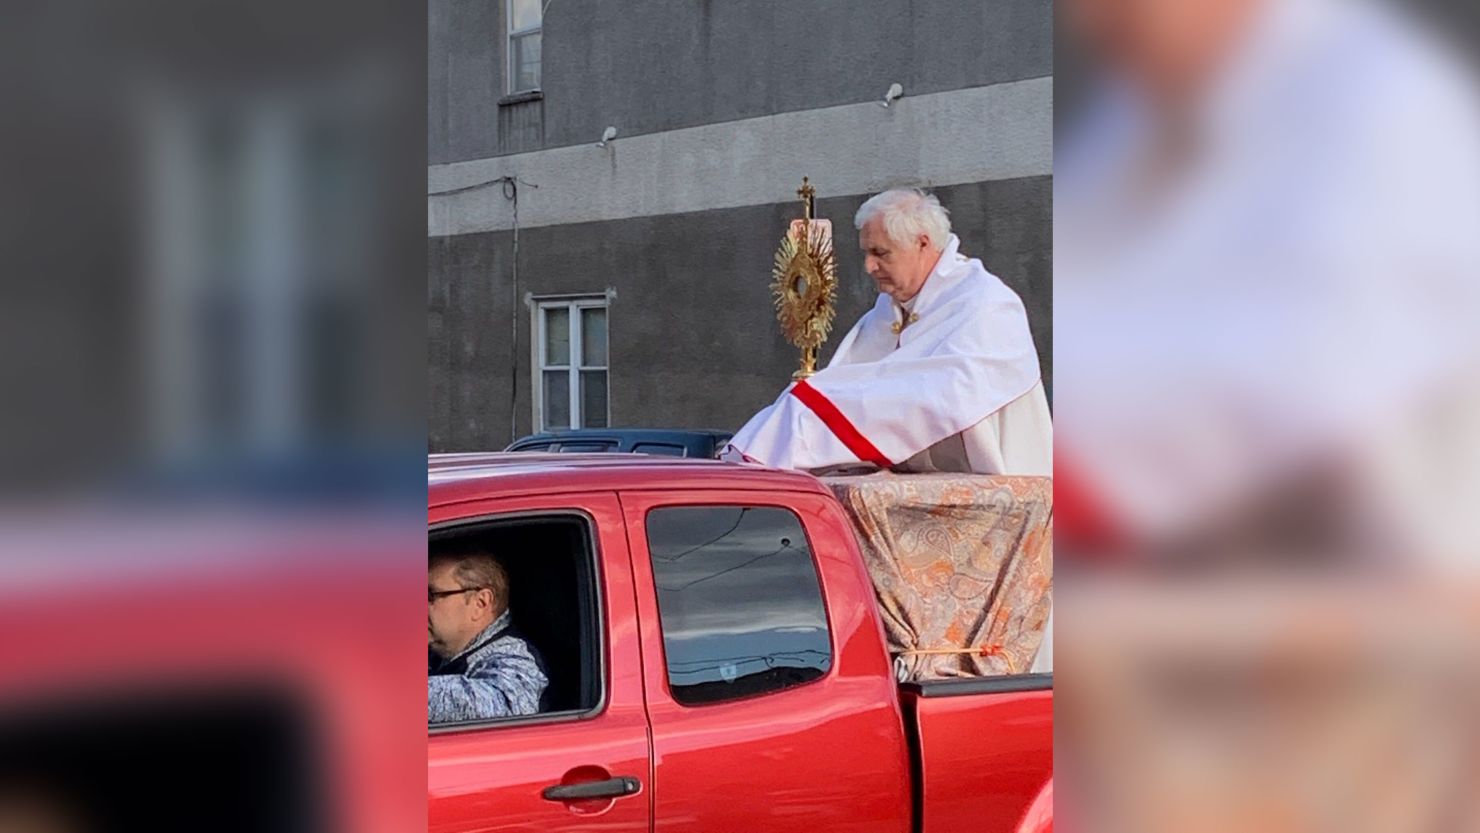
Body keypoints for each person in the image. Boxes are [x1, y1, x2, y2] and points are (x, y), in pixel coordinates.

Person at [724, 188, 1052, 475]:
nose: (868, 266)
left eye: (880, 253)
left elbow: (947, 395)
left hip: (1000, 489)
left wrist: (821, 414)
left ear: (923, 243)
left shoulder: (985, 303)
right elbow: (854, 378)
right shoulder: (890, 307)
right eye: (866, 253)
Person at [428, 551, 548, 723]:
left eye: (430, 595)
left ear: (480, 603)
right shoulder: (439, 652)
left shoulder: (516, 657)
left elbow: (504, 705)